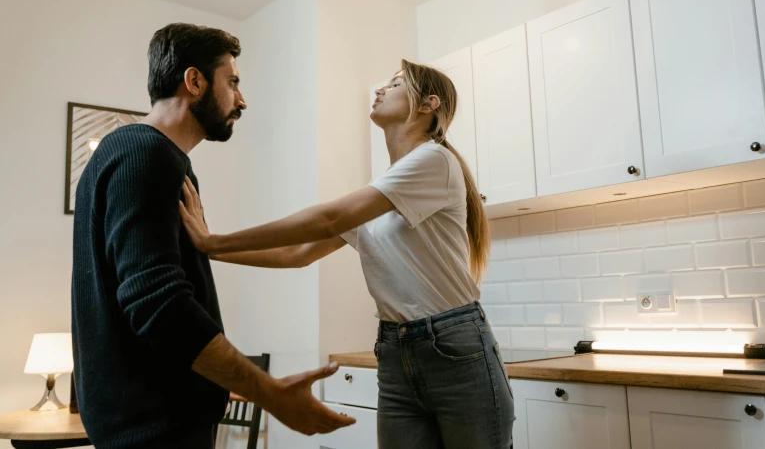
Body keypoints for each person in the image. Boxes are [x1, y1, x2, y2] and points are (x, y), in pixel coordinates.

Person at [178, 59, 515, 448]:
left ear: (428, 104)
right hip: (395, 352)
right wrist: (208, 250)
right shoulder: (382, 193)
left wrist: (214, 241)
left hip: (455, 347)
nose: (380, 90)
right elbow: (297, 252)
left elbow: (329, 218)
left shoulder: (434, 160)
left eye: (395, 84)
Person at [71, 23, 354, 449]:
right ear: (195, 81)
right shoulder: (146, 155)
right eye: (233, 82)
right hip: (155, 432)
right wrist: (269, 393)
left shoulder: (141, 155)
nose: (242, 100)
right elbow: (158, 304)